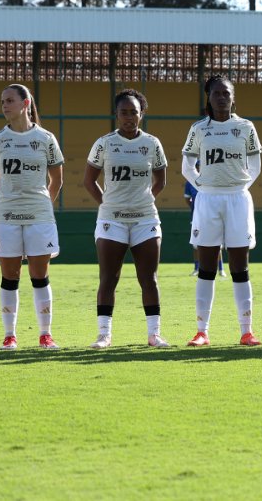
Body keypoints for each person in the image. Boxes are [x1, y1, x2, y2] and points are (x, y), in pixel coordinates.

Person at [83, 89, 169, 348]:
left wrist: (143, 201)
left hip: (145, 220)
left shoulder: (152, 143)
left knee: (149, 278)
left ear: (141, 114)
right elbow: (89, 181)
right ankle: (104, 335)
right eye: (124, 112)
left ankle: (154, 334)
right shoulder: (104, 143)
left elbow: (161, 180)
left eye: (134, 112)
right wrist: (107, 204)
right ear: (116, 114)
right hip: (112, 220)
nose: (129, 117)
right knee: (109, 277)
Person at [181, 76, 262, 346]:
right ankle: (202, 331)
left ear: (233, 97)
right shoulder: (199, 129)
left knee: (240, 266)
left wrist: (239, 187)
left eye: (226, 93)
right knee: (207, 266)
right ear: (209, 97)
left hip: (238, 200)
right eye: (216, 93)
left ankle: (247, 331)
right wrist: (202, 186)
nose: (221, 98)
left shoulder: (245, 127)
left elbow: (255, 165)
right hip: (208, 200)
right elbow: (187, 166)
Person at [0, 83, 64, 350]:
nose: (4, 105)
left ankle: (45, 334)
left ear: (25, 103)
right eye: (2, 101)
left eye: (9, 100)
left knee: (40, 276)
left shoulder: (46, 138)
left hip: (39, 216)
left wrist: (41, 205)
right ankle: (10, 335)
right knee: (9, 277)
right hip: (5, 217)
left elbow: (57, 179)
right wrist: (7, 203)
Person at [184, 164, 224, 277]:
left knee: (217, 242)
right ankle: (197, 268)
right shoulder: (190, 182)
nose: (199, 169)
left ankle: (221, 269)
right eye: (197, 167)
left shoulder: (212, 179)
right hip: (197, 218)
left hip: (212, 216)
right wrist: (196, 208)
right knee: (196, 244)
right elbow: (187, 198)